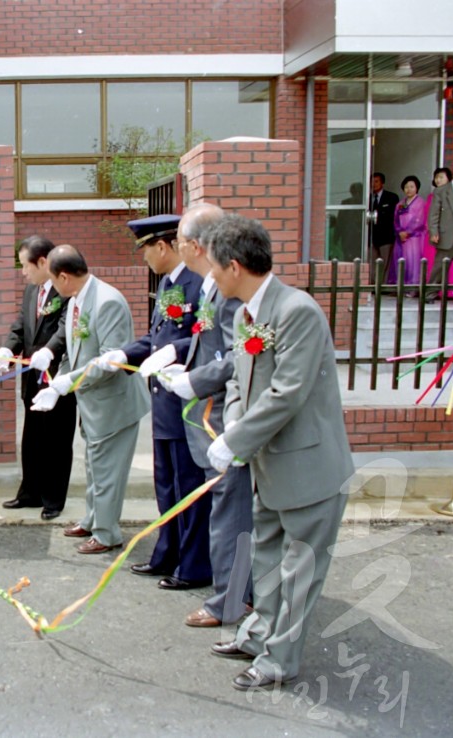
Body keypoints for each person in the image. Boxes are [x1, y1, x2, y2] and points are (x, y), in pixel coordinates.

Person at [205, 214, 353, 691]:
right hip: (265, 464)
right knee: (266, 556)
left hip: (307, 468)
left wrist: (236, 440)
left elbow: (287, 393)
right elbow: (238, 381)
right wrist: (231, 427)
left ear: (233, 266)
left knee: (299, 572)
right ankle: (258, 635)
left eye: (212, 267)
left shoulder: (297, 311)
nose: (209, 277)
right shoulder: (247, 312)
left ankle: (279, 661)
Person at [157, 204, 254, 629]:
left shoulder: (230, 289)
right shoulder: (212, 285)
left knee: (231, 515)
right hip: (210, 416)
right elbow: (204, 340)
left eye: (179, 241)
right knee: (226, 513)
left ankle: (230, 603)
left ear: (195, 245)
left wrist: (194, 381)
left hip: (227, 417)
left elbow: (237, 356)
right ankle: (236, 595)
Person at [105, 214, 211, 589]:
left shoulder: (199, 283)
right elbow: (155, 338)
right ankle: (167, 553)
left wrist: (168, 352)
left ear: (163, 246)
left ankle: (194, 565)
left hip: (186, 404)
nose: (144, 258)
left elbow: (204, 339)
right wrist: (123, 354)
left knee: (189, 490)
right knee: (166, 486)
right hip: (164, 404)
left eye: (146, 249)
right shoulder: (169, 283)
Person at [30, 245, 149, 554]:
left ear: (65, 277)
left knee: (108, 471)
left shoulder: (107, 302)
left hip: (115, 404)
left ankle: (107, 533)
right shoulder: (75, 302)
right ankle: (93, 519)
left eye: (53, 281)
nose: (53, 288)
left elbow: (111, 361)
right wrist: (58, 381)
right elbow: (75, 349)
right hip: (92, 403)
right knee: (95, 466)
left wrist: (66, 383)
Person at [0, 235, 76, 521]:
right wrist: (7, 348)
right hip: (31, 378)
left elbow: (66, 329)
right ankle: (30, 492)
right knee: (32, 438)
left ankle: (53, 499)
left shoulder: (67, 289)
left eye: (25, 266)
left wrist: (50, 351)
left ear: (43, 262)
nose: (23, 272)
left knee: (56, 439)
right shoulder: (32, 290)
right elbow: (20, 325)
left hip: (57, 377)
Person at [389, 175, 428, 288]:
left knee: (413, 262)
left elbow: (419, 220)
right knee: (400, 261)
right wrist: (399, 231)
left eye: (412, 186)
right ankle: (400, 287)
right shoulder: (400, 204)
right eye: (406, 187)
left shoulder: (421, 203)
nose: (409, 189)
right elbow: (395, 220)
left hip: (414, 238)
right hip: (401, 238)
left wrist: (408, 232)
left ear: (417, 188)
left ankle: (412, 288)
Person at [426, 166, 453, 302]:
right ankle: (430, 294)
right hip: (446, 236)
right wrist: (434, 231)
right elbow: (434, 214)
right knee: (439, 267)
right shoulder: (441, 191)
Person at [367, 172, 399, 271]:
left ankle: (383, 285)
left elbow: (394, 217)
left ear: (382, 183)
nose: (373, 184)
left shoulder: (391, 197)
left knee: (385, 266)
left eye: (376, 181)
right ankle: (372, 285)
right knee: (371, 266)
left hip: (386, 238)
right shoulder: (367, 198)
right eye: (371, 182)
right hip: (371, 238)